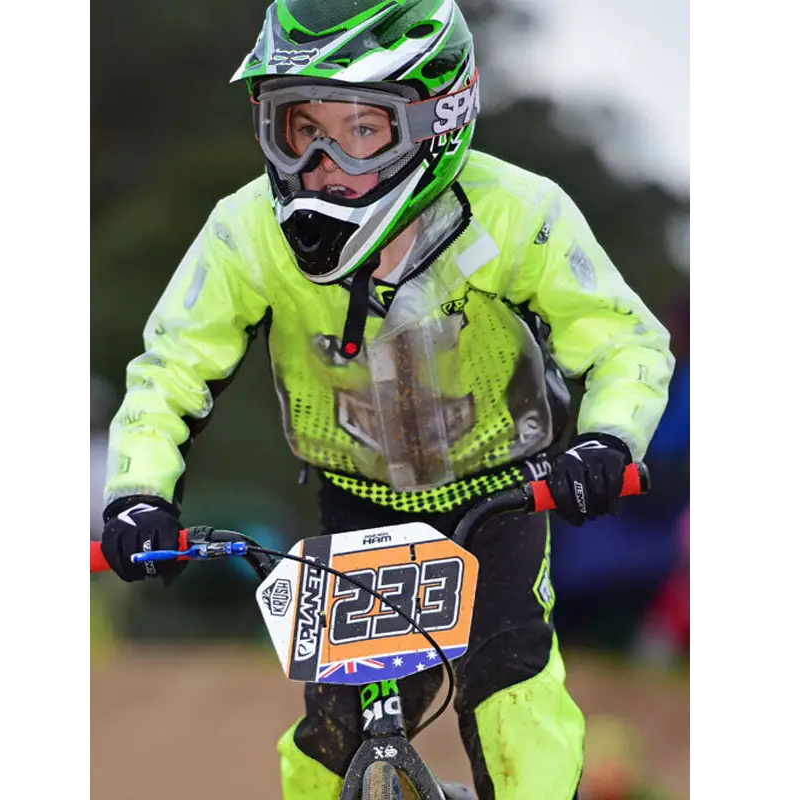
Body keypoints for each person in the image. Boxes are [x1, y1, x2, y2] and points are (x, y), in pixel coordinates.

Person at [98, 1, 675, 798]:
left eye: (360, 130)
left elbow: (624, 342)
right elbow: (170, 370)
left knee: (511, 702)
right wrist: (136, 494)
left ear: (437, 123)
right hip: (360, 505)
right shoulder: (246, 231)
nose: (322, 162)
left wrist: (609, 442)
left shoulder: (518, 211)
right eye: (301, 128)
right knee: (328, 744)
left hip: (500, 495)